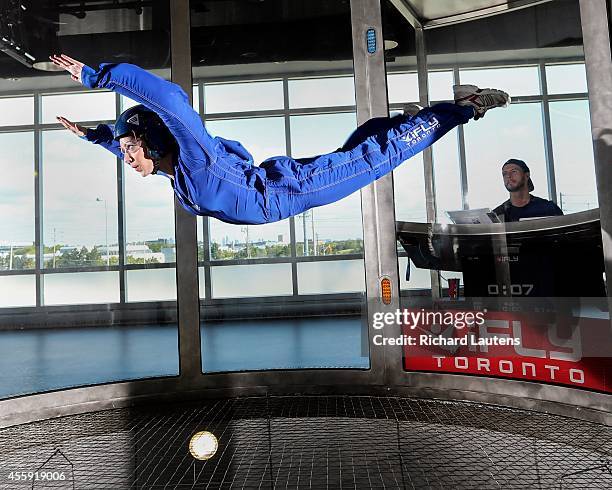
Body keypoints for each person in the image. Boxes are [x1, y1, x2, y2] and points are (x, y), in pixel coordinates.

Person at [51, 54, 510, 225]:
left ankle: (464, 107)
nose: (126, 157)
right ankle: (419, 116)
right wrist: (98, 136)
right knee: (358, 152)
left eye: (131, 149)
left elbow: (168, 100)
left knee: (380, 156)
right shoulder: (175, 172)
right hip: (281, 187)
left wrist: (98, 77)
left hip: (290, 191)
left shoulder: (196, 157)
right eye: (126, 150)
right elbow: (130, 145)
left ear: (152, 144)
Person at [492, 158, 563, 222]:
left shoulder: (549, 208)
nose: (508, 176)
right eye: (504, 174)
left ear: (527, 175)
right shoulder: (498, 215)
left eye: (514, 171)